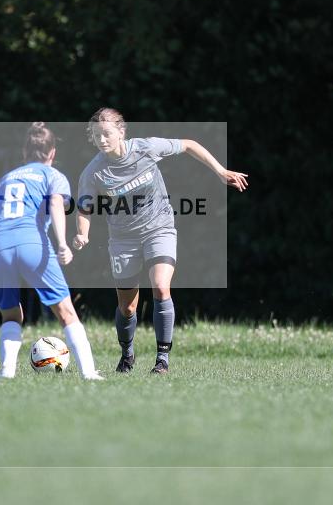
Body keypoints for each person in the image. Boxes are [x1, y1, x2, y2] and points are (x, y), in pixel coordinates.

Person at [73, 108, 248, 374]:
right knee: (127, 306)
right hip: (123, 239)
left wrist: (220, 171)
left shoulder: (146, 148)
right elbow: (84, 208)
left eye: (107, 134)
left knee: (161, 287)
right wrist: (82, 233)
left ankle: (162, 360)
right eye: (97, 135)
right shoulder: (93, 172)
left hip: (159, 229)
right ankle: (127, 353)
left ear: (121, 131)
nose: (102, 140)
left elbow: (189, 145)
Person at [0, 122, 103, 380]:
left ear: (24, 151)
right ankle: (89, 373)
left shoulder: (7, 178)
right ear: (52, 152)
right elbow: (55, 203)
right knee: (66, 312)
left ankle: (6, 372)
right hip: (32, 244)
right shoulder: (52, 175)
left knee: (11, 314)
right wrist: (62, 243)